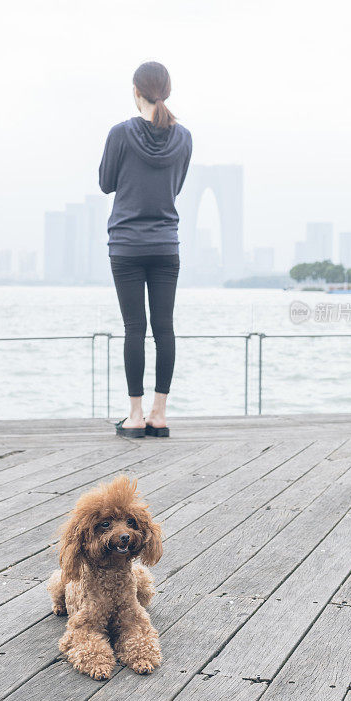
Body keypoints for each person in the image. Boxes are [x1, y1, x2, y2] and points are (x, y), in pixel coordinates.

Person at [99, 61, 192, 438]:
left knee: (134, 328)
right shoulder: (184, 137)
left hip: (126, 245)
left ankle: (135, 416)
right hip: (165, 244)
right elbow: (177, 186)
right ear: (166, 91)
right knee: (164, 329)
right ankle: (160, 413)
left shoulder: (120, 134)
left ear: (136, 92)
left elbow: (106, 183)